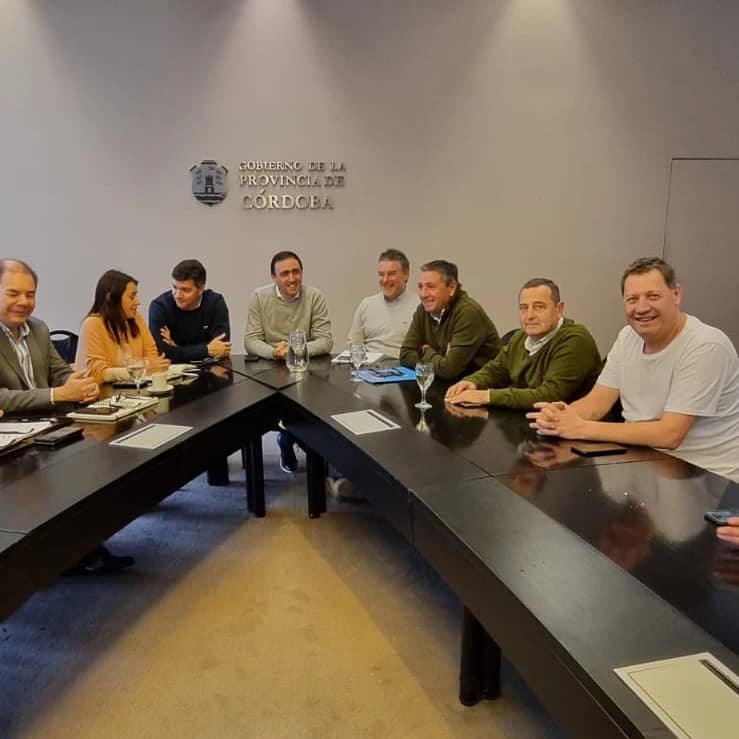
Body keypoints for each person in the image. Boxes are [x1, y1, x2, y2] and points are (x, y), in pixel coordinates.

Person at [529, 257, 739, 482]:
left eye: (653, 296)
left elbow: (670, 434)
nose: (642, 308)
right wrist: (560, 418)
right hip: (643, 460)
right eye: (632, 299)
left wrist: (581, 428)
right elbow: (597, 402)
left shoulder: (706, 346)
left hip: (705, 477)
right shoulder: (627, 336)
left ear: (676, 294)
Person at [0, 258, 132, 573]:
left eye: (30, 294)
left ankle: (84, 550)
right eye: (13, 293)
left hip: (50, 427)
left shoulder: (38, 328)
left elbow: (59, 371)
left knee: (97, 462)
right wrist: (58, 394)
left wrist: (78, 383)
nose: (23, 302)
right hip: (12, 438)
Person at [445, 278, 601, 408]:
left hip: (572, 429)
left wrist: (486, 396)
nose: (529, 315)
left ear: (559, 309)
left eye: (539, 307)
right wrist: (472, 382)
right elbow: (496, 370)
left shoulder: (575, 339)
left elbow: (549, 396)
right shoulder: (520, 337)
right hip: (530, 422)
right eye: (524, 308)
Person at [244, 251, 333, 472]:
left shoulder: (314, 296)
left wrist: (295, 351)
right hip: (271, 367)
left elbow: (325, 340)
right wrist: (275, 352)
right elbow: (251, 340)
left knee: (316, 403)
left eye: (296, 272)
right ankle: (290, 438)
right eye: (285, 274)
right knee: (273, 405)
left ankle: (289, 438)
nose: (292, 278)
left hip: (306, 368)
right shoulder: (259, 297)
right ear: (273, 277)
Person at [400, 260, 501, 380]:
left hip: (478, 385)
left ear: (452, 287)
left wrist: (424, 351)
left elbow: (448, 370)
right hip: (445, 382)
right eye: (421, 287)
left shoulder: (468, 313)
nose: (423, 294)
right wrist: (440, 359)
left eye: (431, 287)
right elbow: (405, 355)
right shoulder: (423, 309)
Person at [77, 270, 170, 384]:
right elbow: (96, 373)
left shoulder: (137, 319)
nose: (137, 302)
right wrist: (141, 368)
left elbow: (153, 357)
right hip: (102, 393)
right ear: (111, 298)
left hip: (134, 390)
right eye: (131, 297)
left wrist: (144, 367)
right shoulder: (92, 324)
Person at [149, 259, 231, 362]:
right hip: (172, 369)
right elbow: (163, 352)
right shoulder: (160, 306)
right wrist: (206, 350)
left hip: (210, 366)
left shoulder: (215, 303)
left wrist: (176, 348)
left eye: (185, 290)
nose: (177, 295)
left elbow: (221, 348)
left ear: (201, 289)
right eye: (174, 287)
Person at [348, 249, 417, 359]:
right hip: (367, 366)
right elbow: (355, 344)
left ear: (406, 275)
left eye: (391, 274)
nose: (385, 280)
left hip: (402, 366)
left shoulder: (420, 307)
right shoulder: (366, 304)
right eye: (381, 274)